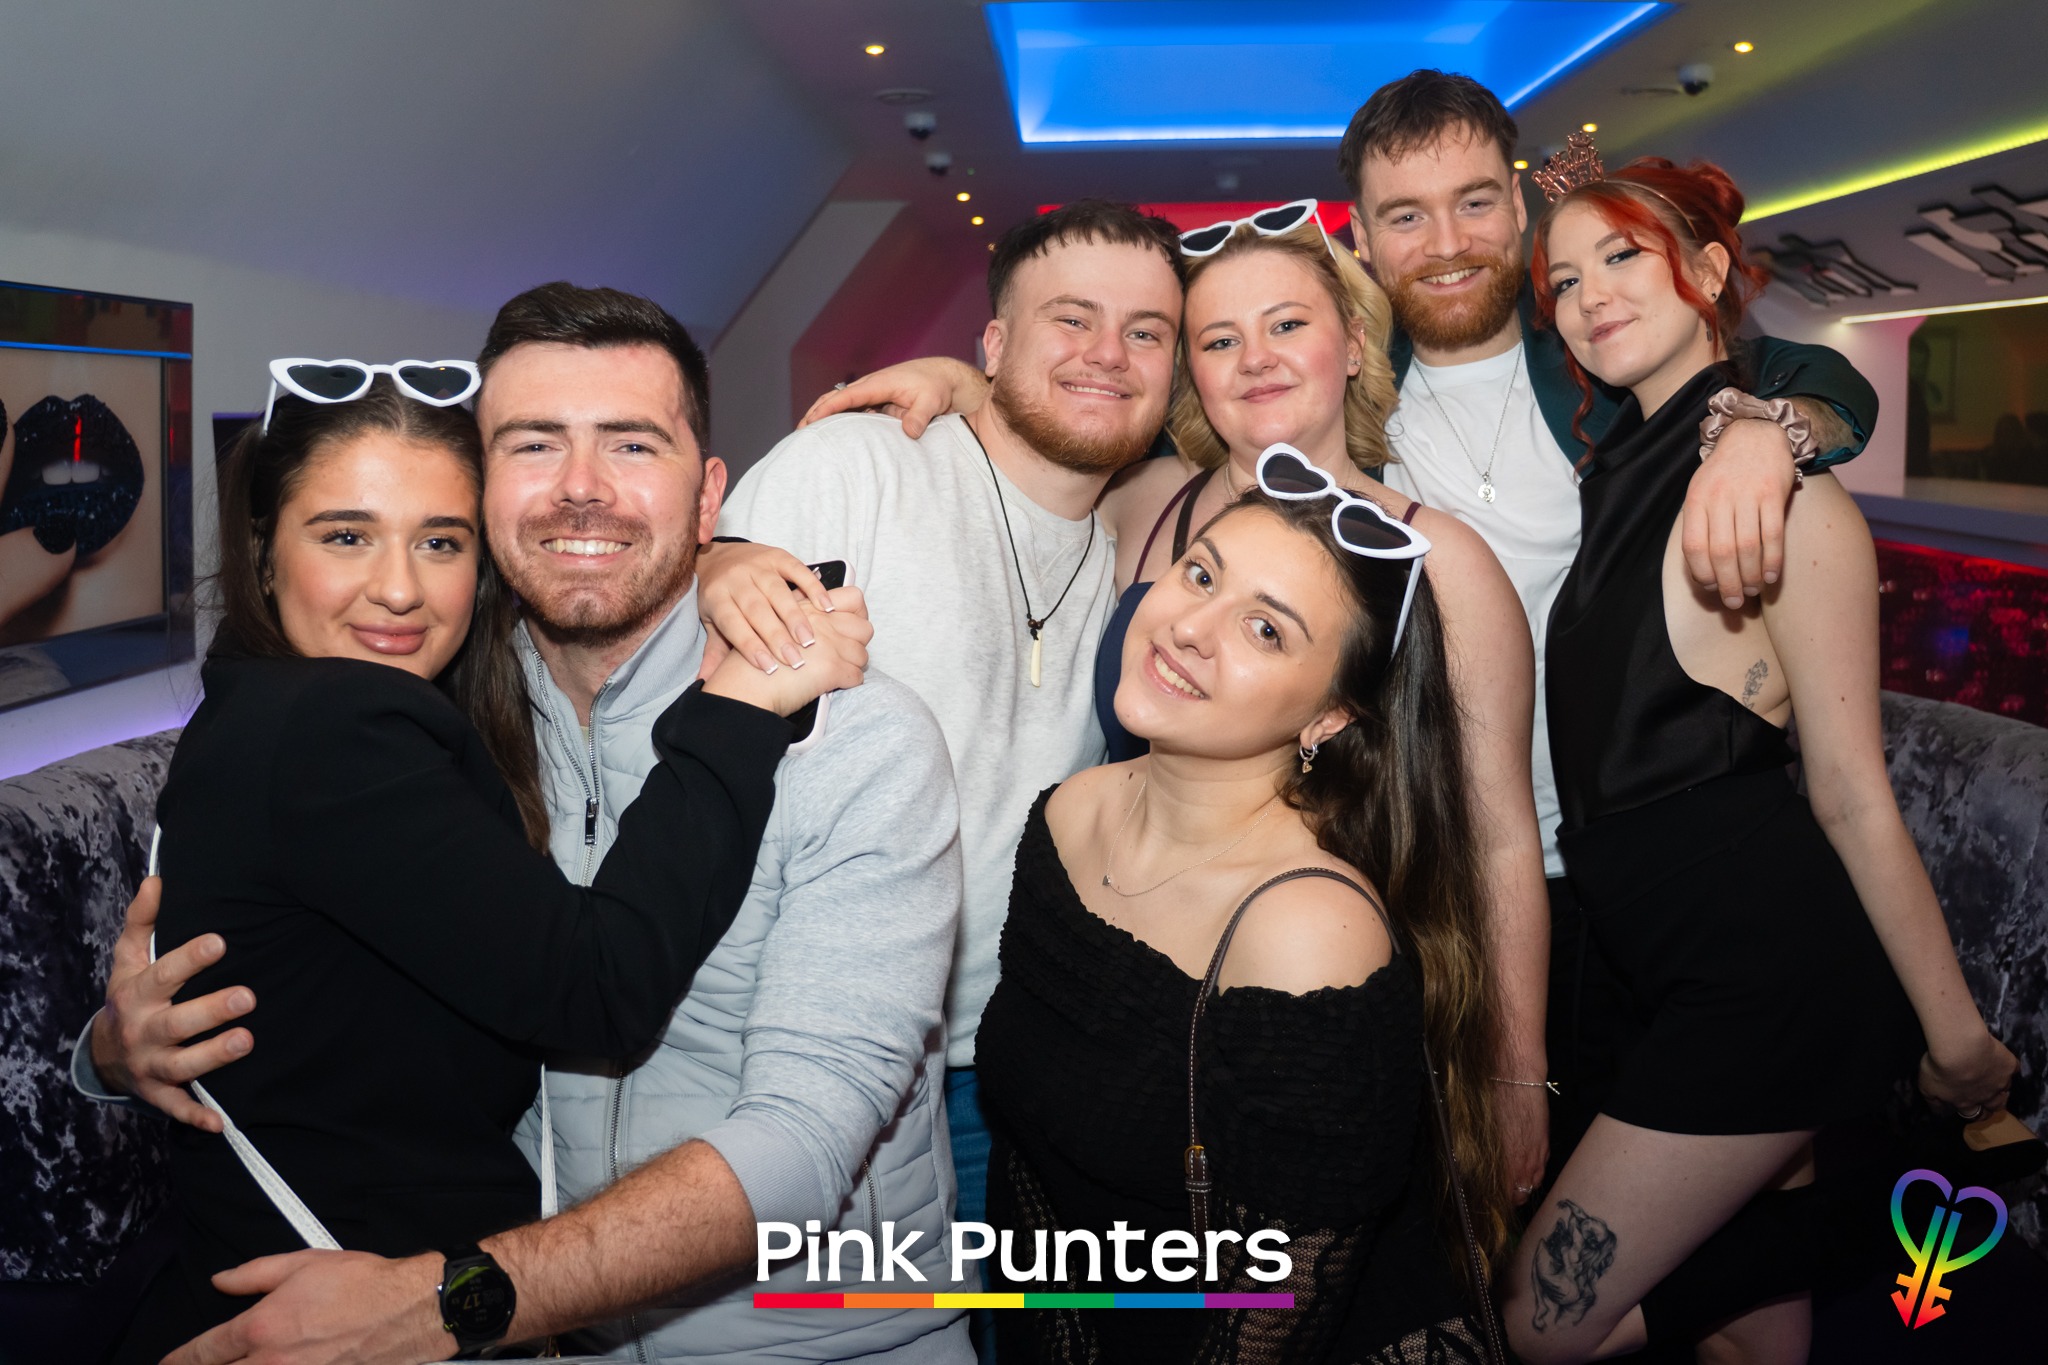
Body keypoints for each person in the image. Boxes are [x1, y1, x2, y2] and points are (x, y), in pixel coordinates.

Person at [804, 72, 1883, 1199]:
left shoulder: (1459, 522)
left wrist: (1515, 1069)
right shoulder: (1144, 500)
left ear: (1352, 344)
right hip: (1113, 960)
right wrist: (955, 383)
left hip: (1356, 968)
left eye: (1287, 326)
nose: (1257, 358)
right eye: (1218, 339)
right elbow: (1051, 427)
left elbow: (1497, 834)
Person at [79, 286, 972, 1364]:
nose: (581, 487)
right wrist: (116, 1048)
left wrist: (450, 1302)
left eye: (632, 444)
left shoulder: (857, 739)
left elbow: (803, 1144)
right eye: (535, 444)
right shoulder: (441, 711)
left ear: (707, 496)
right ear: (490, 492)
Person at [1499, 151, 2018, 1364]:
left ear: (1706, 269)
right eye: (1562, 280)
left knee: (1539, 1325)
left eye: (1619, 256)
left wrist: (1952, 1041)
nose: (1588, 295)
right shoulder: (1614, 478)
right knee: (1747, 1347)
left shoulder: (1783, 498)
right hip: (1661, 969)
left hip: (1763, 981)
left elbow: (1848, 793)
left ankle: (1881, 1216)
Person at [700, 201, 1185, 1267]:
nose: (1108, 353)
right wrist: (712, 558)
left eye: (1145, 331)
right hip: (793, 1052)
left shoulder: (1142, 538)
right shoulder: (857, 468)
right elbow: (685, 690)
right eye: (1071, 319)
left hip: (1007, 1063)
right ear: (995, 344)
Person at [977, 454, 1507, 1362]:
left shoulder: (1307, 932)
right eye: (1199, 575)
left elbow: (1268, 1317)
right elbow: (1032, 1161)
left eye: (1264, 628)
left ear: (1329, 718)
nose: (1189, 628)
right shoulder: (1071, 812)